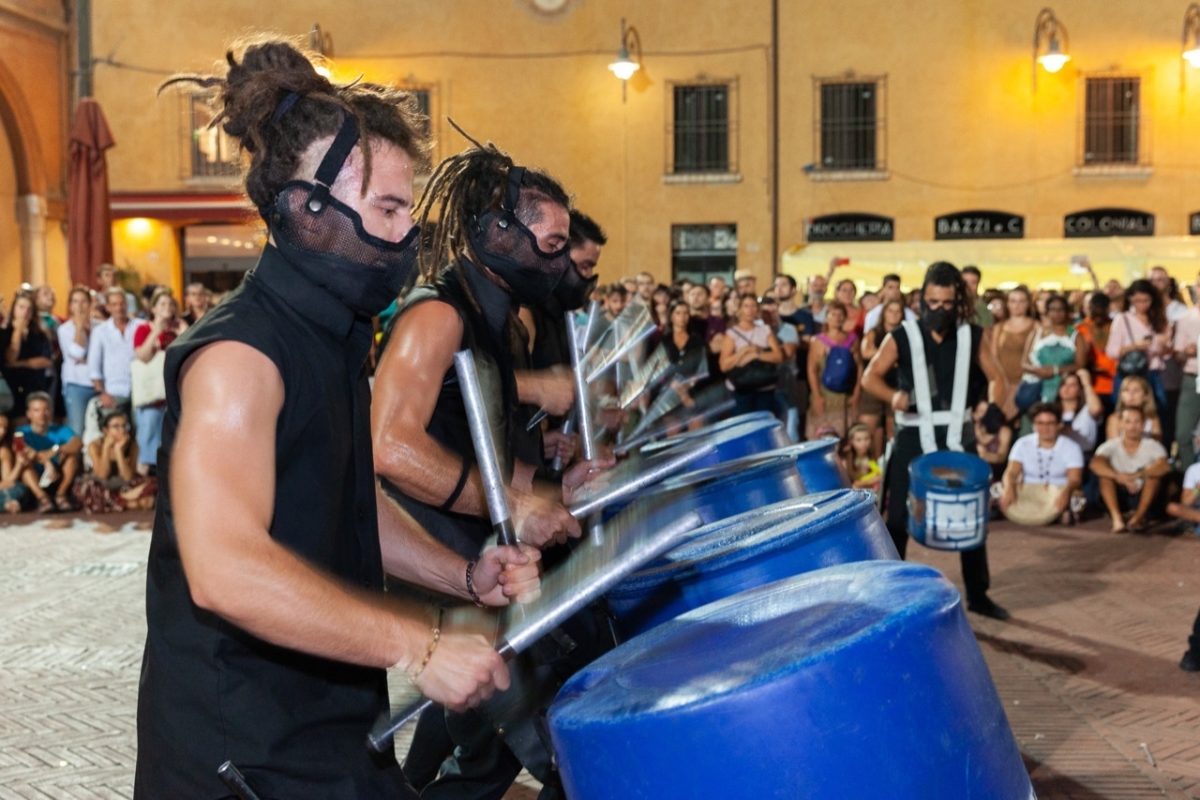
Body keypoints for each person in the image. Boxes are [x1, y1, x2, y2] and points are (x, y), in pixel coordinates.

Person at [136, 40, 539, 799]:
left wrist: (462, 575)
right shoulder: (239, 357)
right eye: (387, 209)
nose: (406, 236)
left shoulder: (336, 338)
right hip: (244, 761)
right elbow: (224, 571)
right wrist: (421, 646)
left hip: (333, 732)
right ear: (306, 206)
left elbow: (346, 506)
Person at [371, 142, 593, 798]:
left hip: (479, 563)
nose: (560, 261)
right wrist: (510, 505)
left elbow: (484, 448)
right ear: (497, 234)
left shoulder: (496, 323)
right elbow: (388, 444)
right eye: (552, 243)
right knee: (529, 742)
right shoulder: (436, 314)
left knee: (483, 739)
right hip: (438, 560)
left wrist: (549, 489)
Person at [863, 261, 1011, 621]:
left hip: (958, 435)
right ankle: (891, 593)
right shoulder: (902, 336)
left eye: (946, 303)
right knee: (897, 519)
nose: (939, 310)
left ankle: (978, 594)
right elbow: (870, 377)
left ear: (957, 300)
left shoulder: (973, 335)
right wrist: (893, 397)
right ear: (922, 298)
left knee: (971, 515)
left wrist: (991, 405)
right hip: (913, 435)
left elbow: (998, 378)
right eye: (932, 302)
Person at [132, 288, 188, 476]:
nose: (167, 307)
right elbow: (143, 356)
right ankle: (144, 479)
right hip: (151, 396)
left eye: (170, 304)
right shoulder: (143, 329)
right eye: (162, 304)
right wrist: (157, 330)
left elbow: (188, 353)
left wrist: (183, 332)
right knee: (147, 437)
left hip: (173, 393)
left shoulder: (180, 328)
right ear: (153, 308)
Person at [999, 402, 1084, 526]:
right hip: (1029, 490)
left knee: (1077, 497)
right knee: (998, 490)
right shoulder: (1022, 444)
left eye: (1050, 423)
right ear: (1034, 425)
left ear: (1059, 424)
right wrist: (1009, 487)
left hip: (1057, 491)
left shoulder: (1071, 447)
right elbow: (1011, 472)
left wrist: (1066, 491)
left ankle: (1063, 513)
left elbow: (1075, 479)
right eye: (1040, 423)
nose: (1045, 428)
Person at [1091, 404, 1169, 533]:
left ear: (1144, 424)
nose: (1132, 426)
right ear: (1121, 424)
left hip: (1143, 492)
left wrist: (1137, 475)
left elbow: (1164, 466)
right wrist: (1118, 477)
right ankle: (1117, 520)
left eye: (1137, 421)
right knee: (1104, 478)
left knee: (1154, 478)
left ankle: (1138, 518)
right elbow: (1095, 464)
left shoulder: (1153, 445)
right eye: (1128, 421)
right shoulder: (1111, 445)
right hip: (1121, 491)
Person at [1106, 278, 1170, 415]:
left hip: (1155, 374)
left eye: (1146, 300)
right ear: (1130, 300)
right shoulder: (1122, 319)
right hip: (1131, 375)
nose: (1142, 304)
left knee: (1157, 414)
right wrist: (1135, 346)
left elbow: (1167, 353)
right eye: (1137, 301)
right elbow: (1111, 351)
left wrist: (1163, 344)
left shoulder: (1159, 320)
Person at [73, 409, 155, 513]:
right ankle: (128, 502)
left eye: (124, 426)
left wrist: (118, 451)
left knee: (152, 483)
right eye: (116, 427)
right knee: (89, 488)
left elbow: (128, 477)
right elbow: (102, 475)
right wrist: (106, 449)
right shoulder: (95, 446)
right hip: (102, 484)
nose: (122, 430)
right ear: (106, 430)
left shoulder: (133, 445)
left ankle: (118, 500)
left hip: (123, 485)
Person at [16, 391, 81, 512]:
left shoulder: (61, 429)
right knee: (25, 465)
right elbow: (21, 449)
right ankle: (43, 499)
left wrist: (57, 449)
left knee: (72, 459)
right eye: (36, 410)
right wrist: (46, 461)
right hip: (34, 475)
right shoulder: (21, 432)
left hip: (57, 475)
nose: (42, 414)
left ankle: (61, 495)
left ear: (51, 411)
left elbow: (77, 443)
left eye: (46, 409)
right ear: (29, 414)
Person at [720, 293, 783, 416]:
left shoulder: (765, 330)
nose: (750, 310)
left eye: (753, 306)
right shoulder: (732, 333)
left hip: (765, 387)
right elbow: (724, 365)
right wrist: (743, 352)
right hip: (742, 389)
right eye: (746, 306)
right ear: (740, 309)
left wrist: (757, 355)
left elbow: (778, 356)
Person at [1019, 292, 1084, 408]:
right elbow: (1023, 363)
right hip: (1037, 389)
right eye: (1053, 309)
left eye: (1061, 309)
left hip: (1064, 391)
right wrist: (1038, 371)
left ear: (1067, 312)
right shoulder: (1036, 333)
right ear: (1047, 312)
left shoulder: (1075, 336)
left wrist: (1055, 370)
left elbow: (1080, 364)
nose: (1057, 313)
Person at [806, 300, 859, 439]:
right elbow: (812, 370)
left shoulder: (853, 339)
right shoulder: (817, 341)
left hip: (845, 395)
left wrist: (856, 393)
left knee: (845, 437)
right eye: (833, 314)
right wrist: (817, 396)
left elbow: (859, 368)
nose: (837, 318)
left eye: (840, 314)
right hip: (824, 394)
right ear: (827, 317)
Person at [860, 298, 905, 455]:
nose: (894, 315)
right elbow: (865, 351)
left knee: (893, 430)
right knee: (869, 430)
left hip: (896, 386)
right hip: (873, 384)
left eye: (897, 311)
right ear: (884, 313)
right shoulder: (874, 332)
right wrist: (891, 357)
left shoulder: (905, 334)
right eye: (890, 310)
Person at [87, 287, 138, 423]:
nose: (119, 308)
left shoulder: (140, 326)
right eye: (114, 304)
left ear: (127, 305)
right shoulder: (100, 331)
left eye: (121, 303)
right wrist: (102, 394)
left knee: (140, 438)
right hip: (114, 392)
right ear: (108, 307)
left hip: (140, 391)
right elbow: (94, 367)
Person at [2, 291, 54, 418]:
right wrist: (18, 331)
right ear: (13, 308)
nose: (25, 312)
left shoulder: (40, 334)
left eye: (29, 309)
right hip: (12, 388)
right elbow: (10, 358)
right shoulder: (4, 333)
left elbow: (46, 361)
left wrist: (20, 363)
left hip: (35, 386)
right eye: (21, 307)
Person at [57, 287, 96, 440]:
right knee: (78, 429)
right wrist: (79, 327)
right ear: (70, 306)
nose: (79, 306)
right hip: (76, 385)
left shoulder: (100, 326)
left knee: (96, 430)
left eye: (83, 301)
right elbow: (77, 353)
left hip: (99, 385)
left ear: (90, 304)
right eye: (75, 302)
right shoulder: (64, 330)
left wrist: (88, 360)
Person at [992, 286, 1037, 416]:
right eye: (1013, 301)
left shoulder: (1035, 326)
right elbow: (994, 357)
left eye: (1021, 301)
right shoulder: (999, 328)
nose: (1017, 305)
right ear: (1007, 303)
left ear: (1028, 304)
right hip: (1003, 385)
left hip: (1027, 385)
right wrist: (1004, 382)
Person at [1174, 273, 1200, 468]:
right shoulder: (1185, 319)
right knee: (1183, 434)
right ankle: (1190, 479)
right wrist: (1185, 352)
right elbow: (1177, 355)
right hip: (1193, 377)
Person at [1076, 291, 1116, 415]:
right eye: (1095, 308)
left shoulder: (1116, 325)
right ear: (1089, 308)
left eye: (1102, 308)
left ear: (1108, 309)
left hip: (1114, 385)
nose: (1098, 312)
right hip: (1091, 386)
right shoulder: (1080, 328)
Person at [1056, 369, 1104, 456]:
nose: (1066, 388)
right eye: (1063, 384)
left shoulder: (1086, 410)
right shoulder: (1052, 411)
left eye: (1072, 385)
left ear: (1080, 389)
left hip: (1084, 455)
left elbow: (1096, 409)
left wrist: (1087, 384)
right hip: (1058, 455)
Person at [1104, 374, 1162, 441]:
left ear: (1146, 396)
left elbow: (1156, 446)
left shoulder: (1152, 419)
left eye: (1136, 390)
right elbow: (1113, 446)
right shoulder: (1114, 419)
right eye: (1126, 390)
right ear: (1121, 395)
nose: (1131, 394)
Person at [0, 413, 30, 512]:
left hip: (3, 489)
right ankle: (7, 503)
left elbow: (9, 480)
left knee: (19, 487)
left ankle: (7, 503)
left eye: (5, 427)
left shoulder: (4, 451)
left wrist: (19, 463)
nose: (2, 431)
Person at [840, 422, 881, 492]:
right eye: (858, 440)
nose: (863, 443)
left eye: (866, 439)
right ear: (851, 441)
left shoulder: (872, 457)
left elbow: (880, 474)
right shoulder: (846, 460)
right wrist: (868, 481)